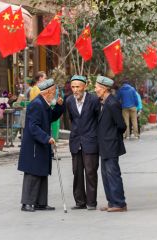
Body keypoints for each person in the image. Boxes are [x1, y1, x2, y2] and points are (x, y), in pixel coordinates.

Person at [17, 79, 65, 212]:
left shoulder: (44, 103)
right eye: (54, 91)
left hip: (41, 143)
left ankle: (40, 202)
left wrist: (59, 106)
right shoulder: (37, 104)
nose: (55, 94)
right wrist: (46, 137)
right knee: (33, 173)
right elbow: (33, 127)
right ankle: (27, 203)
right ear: (48, 92)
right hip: (34, 144)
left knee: (42, 172)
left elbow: (51, 118)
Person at [66, 75, 100, 210]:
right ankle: (80, 202)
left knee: (91, 172)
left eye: (78, 87)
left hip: (91, 141)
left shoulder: (94, 100)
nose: (75, 90)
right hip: (76, 141)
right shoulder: (69, 101)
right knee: (77, 172)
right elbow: (71, 119)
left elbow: (99, 119)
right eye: (73, 87)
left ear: (84, 87)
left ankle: (91, 202)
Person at [95, 76, 127, 212]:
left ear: (104, 89)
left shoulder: (113, 103)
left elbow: (121, 125)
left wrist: (112, 136)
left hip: (111, 144)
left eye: (97, 87)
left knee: (113, 174)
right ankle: (111, 202)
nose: (95, 90)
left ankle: (119, 203)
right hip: (104, 145)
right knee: (106, 174)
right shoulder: (103, 102)